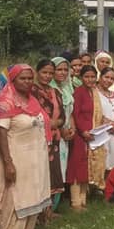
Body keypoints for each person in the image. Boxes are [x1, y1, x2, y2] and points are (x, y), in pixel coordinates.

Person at [0, 64, 52, 229]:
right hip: (17, 158)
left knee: (34, 194)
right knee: (16, 197)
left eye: (29, 78)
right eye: (22, 78)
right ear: (13, 79)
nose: (27, 82)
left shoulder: (32, 101)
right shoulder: (5, 102)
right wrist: (8, 163)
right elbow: (1, 133)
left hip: (36, 157)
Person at [32, 59, 65, 217]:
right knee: (38, 174)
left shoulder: (55, 92)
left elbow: (63, 117)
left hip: (54, 139)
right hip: (36, 139)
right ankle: (37, 213)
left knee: (51, 173)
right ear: (37, 72)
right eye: (44, 72)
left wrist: (55, 123)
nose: (47, 76)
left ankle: (49, 210)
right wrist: (47, 123)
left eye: (51, 73)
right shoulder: (30, 91)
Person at [68, 65, 98, 210]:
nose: (90, 79)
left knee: (87, 166)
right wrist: (83, 131)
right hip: (81, 135)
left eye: (93, 77)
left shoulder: (93, 92)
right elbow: (75, 113)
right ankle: (75, 202)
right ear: (81, 78)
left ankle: (83, 199)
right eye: (87, 77)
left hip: (92, 134)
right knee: (77, 166)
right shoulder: (79, 92)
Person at [50, 57, 74, 189]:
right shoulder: (49, 89)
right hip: (55, 133)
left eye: (65, 70)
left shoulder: (67, 88)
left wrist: (73, 128)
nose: (63, 73)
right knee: (54, 166)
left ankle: (57, 201)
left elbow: (70, 111)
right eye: (59, 69)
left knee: (63, 166)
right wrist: (62, 129)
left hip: (67, 133)